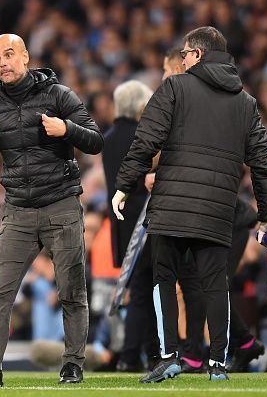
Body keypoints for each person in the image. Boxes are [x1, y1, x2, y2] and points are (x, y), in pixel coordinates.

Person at [112, 26, 267, 382]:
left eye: (186, 53)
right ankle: (217, 363)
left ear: (199, 55)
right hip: (218, 210)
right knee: (215, 285)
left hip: (172, 206)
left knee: (164, 280)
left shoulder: (174, 87)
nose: (182, 59)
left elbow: (146, 140)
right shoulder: (246, 103)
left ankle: (170, 356)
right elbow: (264, 162)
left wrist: (124, 185)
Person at [0, 34, 103, 387]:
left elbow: (95, 139)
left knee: (72, 289)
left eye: (9, 55)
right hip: (18, 210)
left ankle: (73, 363)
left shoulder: (58, 95)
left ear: (26, 56)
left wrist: (66, 129)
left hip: (61, 205)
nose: (3, 63)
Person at [101, 79, 160, 372]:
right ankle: (130, 354)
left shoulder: (109, 137)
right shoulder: (142, 135)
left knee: (141, 290)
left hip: (121, 223)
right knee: (142, 292)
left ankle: (148, 352)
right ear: (140, 107)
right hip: (143, 222)